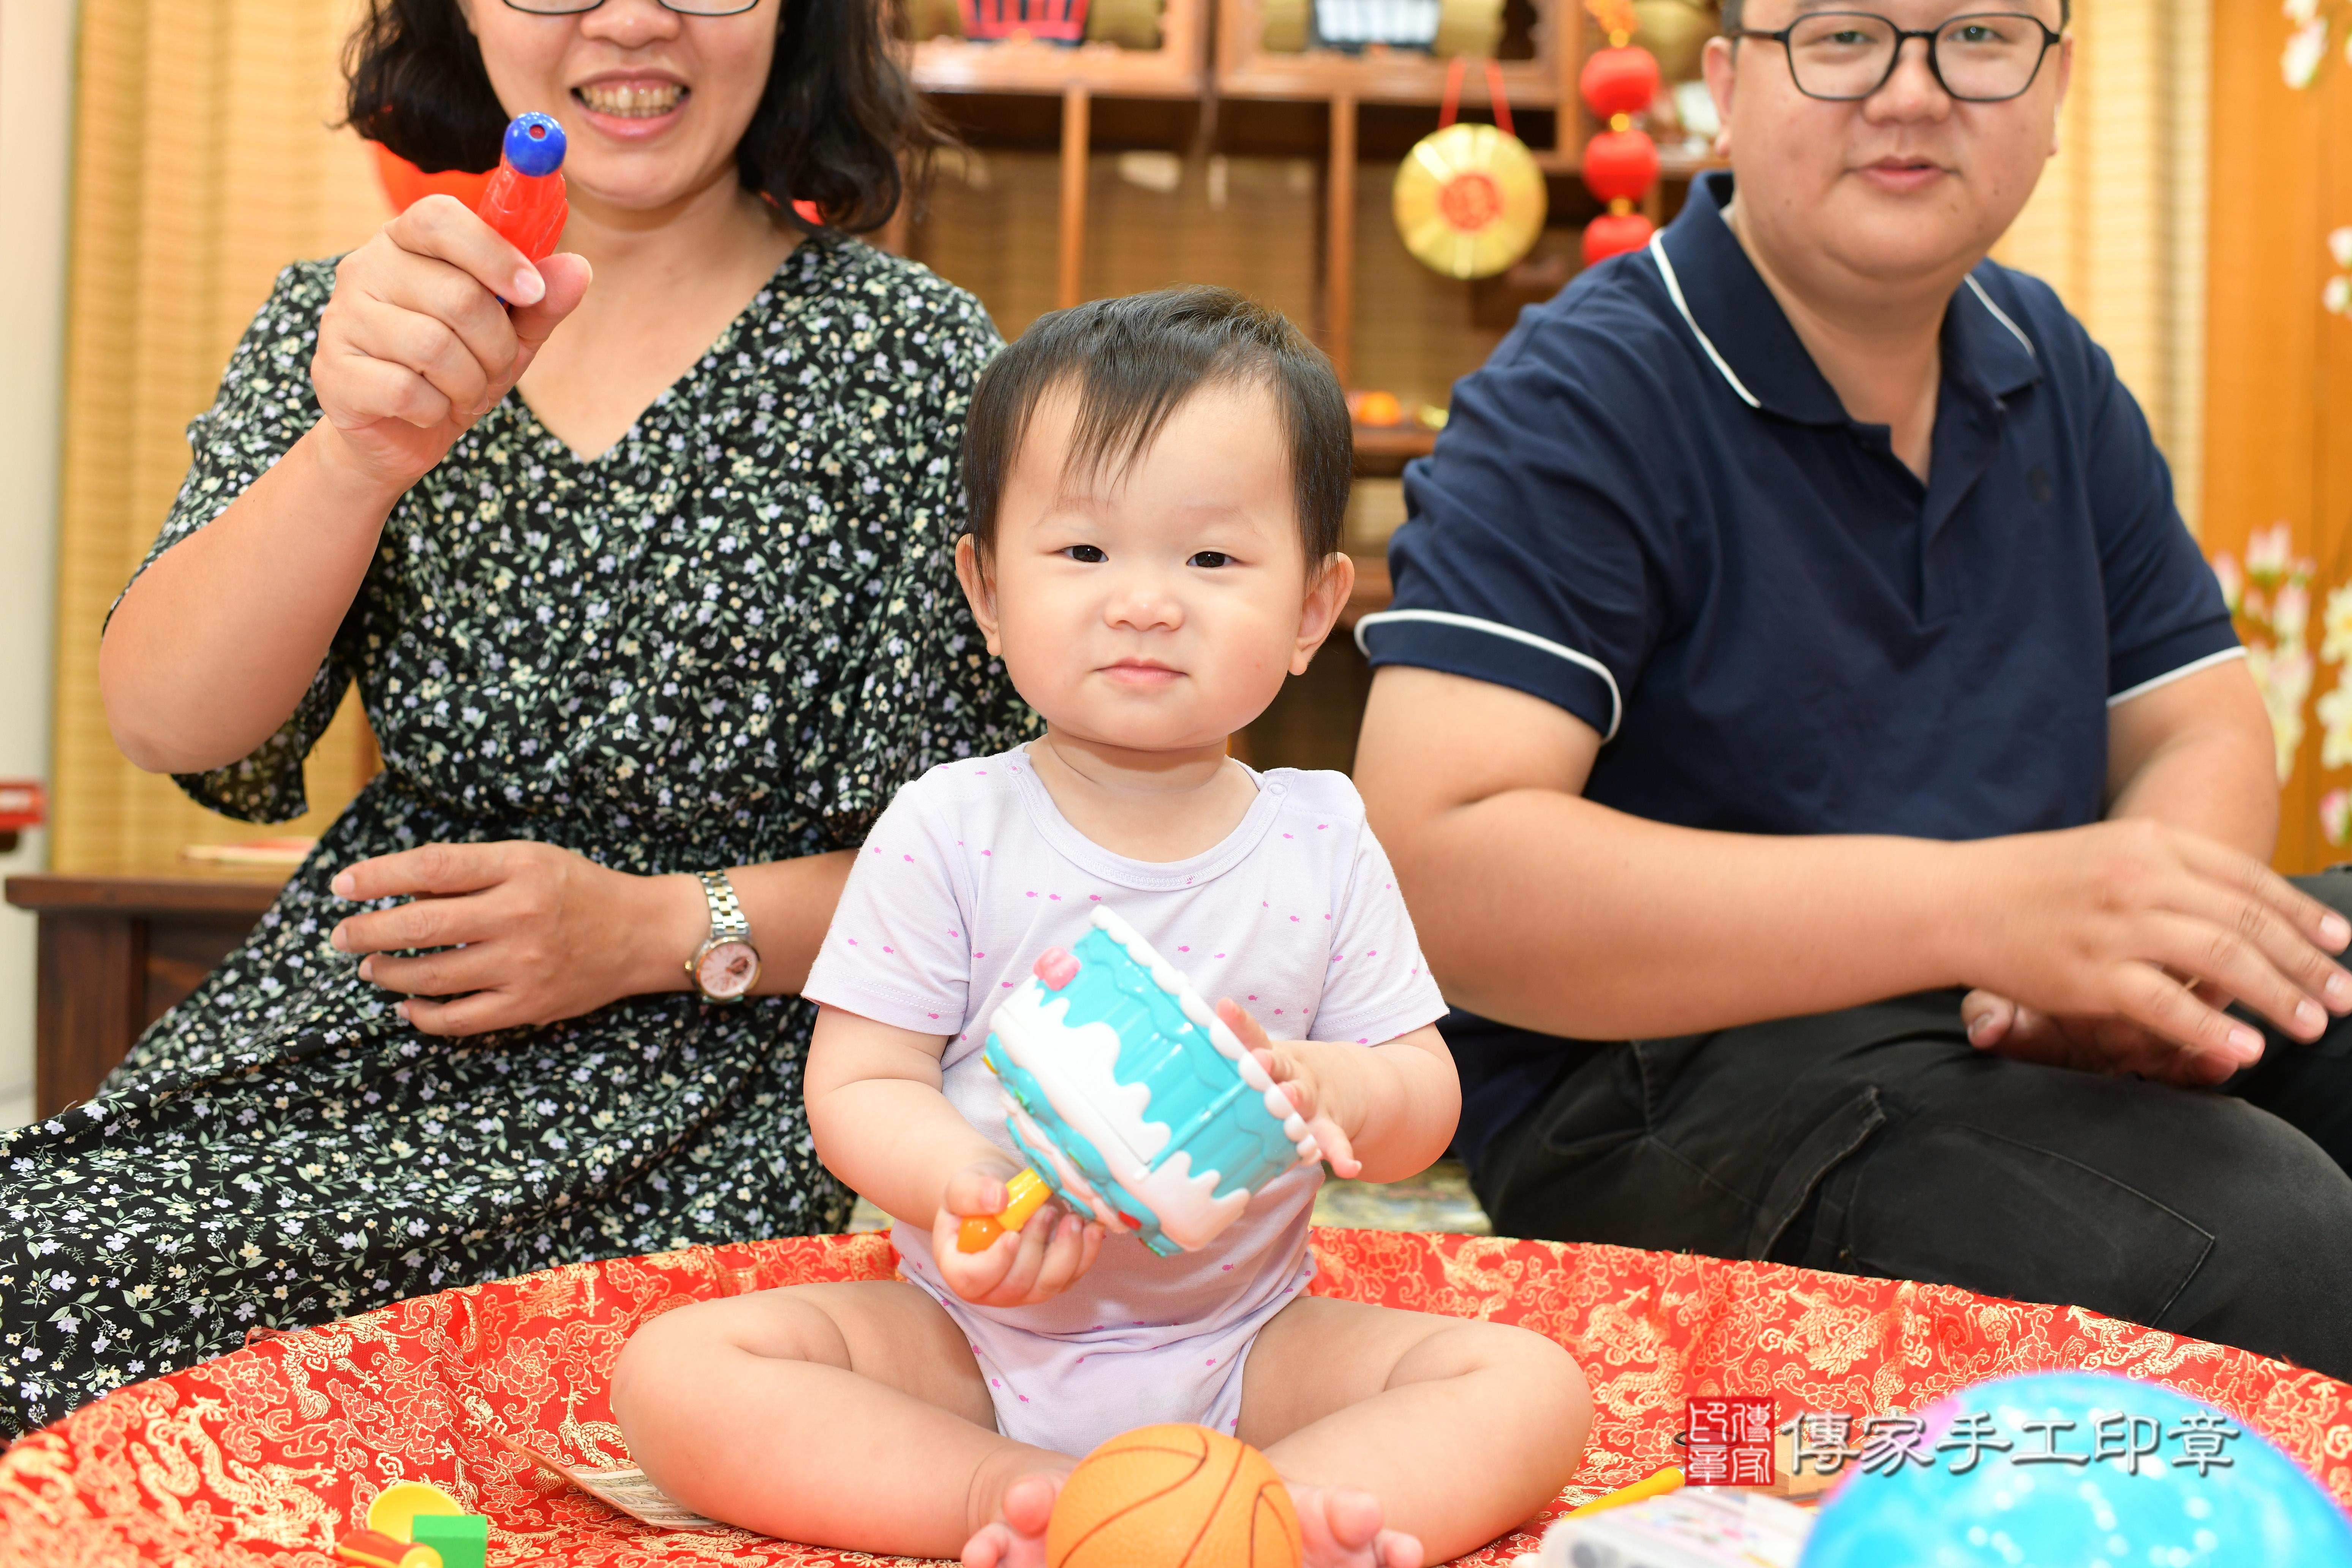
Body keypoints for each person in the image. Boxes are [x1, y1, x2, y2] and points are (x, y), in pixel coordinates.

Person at [0, 0, 1029, 1436]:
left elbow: (992, 876)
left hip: (712, 1081)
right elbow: (177, 724)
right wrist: (359, 455)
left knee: (484, 1407)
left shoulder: (915, 360)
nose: (628, 16)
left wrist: (648, 930)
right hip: (352, 1031)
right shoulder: (354, 318)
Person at [1351, 0, 2352, 1380]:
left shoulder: (2046, 362)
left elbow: (2198, 720)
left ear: (2054, 89)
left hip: (2002, 1013)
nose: (1912, 93)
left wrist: (2145, 964)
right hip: (1664, 1079)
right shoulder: (1586, 391)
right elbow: (1439, 863)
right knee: (2259, 1242)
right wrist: (1993, 912)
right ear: (1728, 81)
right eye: (1843, 36)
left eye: (1981, 39)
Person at [611, 289, 1591, 1568]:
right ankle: (1012, 1502)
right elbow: (859, 1081)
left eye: (1212, 560)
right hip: (971, 1337)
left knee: (1529, 1386)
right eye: (1083, 554)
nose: (1144, 603)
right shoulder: (951, 824)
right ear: (988, 588)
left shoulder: (1322, 832)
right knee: (680, 1373)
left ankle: (1259, 1523)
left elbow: (1425, 1098)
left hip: (1250, 1345)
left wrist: (1337, 1085)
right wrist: (958, 1188)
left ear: (1313, 608)